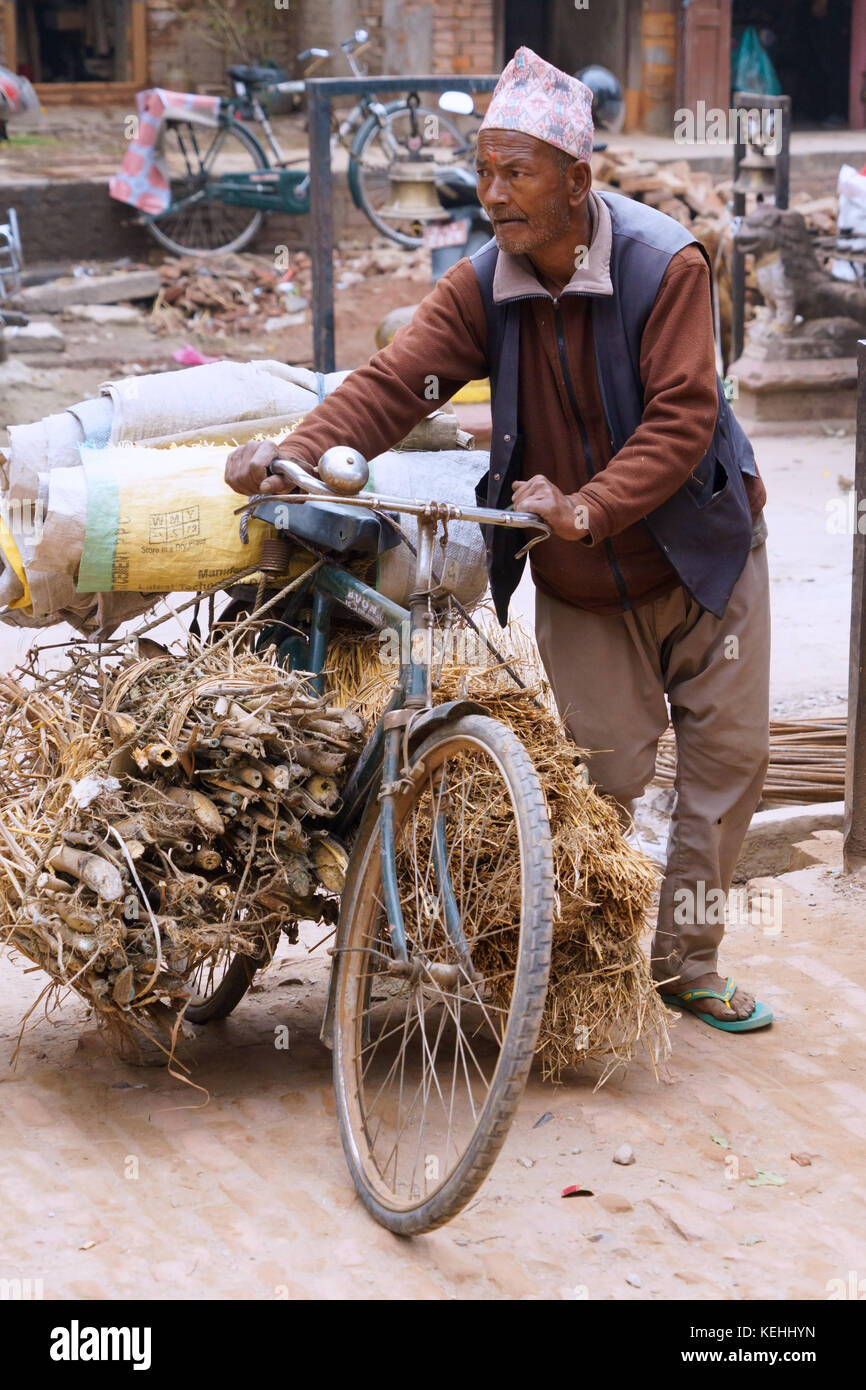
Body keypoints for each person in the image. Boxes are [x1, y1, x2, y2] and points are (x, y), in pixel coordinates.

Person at [226, 47, 773, 1033]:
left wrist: (585, 504)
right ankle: (590, 972)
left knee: (725, 765)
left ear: (576, 180)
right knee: (603, 776)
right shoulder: (486, 286)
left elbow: (682, 417)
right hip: (577, 580)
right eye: (482, 173)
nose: (491, 195)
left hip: (703, 556)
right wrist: (292, 453)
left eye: (513, 172)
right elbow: (400, 385)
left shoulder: (663, 265)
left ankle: (684, 964)